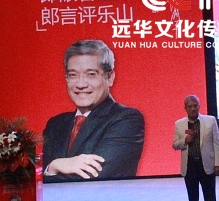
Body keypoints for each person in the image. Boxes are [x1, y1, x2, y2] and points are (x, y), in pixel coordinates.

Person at [42, 40, 145, 181]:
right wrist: (54, 166)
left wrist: (52, 168)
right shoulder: (55, 124)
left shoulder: (127, 119)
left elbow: (92, 178)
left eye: (91, 74)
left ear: (110, 77)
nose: (80, 84)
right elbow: (32, 177)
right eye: (73, 75)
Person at [173, 94, 219, 201]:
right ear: (185, 108)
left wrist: (218, 163)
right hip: (190, 167)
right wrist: (185, 140)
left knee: (210, 199)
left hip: (206, 164)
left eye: (195, 106)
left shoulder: (210, 121)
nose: (193, 109)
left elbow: (217, 143)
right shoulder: (179, 124)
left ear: (199, 106)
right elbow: (175, 144)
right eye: (190, 106)